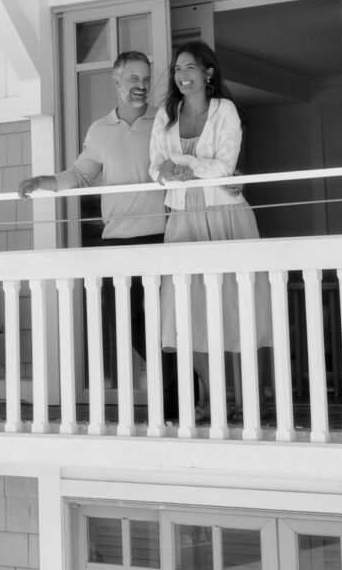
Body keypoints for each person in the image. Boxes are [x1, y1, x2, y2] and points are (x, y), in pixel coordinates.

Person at [18, 50, 179, 416]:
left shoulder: (165, 122)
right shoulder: (99, 130)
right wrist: (44, 181)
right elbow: (79, 174)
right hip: (116, 241)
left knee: (167, 323)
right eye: (132, 78)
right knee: (127, 321)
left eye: (145, 78)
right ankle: (176, 388)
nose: (140, 85)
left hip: (161, 236)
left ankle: (176, 402)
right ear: (117, 82)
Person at [150, 40, 271, 417]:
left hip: (225, 216)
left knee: (241, 304)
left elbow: (225, 164)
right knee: (188, 308)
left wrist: (181, 166)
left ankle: (254, 398)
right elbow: (155, 170)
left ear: (208, 73)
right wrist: (173, 171)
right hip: (182, 219)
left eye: (189, 68)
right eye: (177, 70)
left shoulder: (225, 110)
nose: (182, 76)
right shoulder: (165, 114)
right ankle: (212, 397)